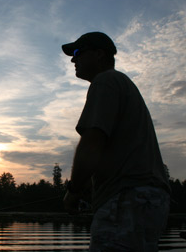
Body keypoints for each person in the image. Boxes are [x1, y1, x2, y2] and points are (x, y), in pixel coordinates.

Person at [62, 32, 171, 252]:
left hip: (127, 200)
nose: (73, 59)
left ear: (99, 54)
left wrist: (73, 191)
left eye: (77, 53)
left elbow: (92, 143)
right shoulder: (123, 84)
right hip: (146, 200)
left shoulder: (105, 81)